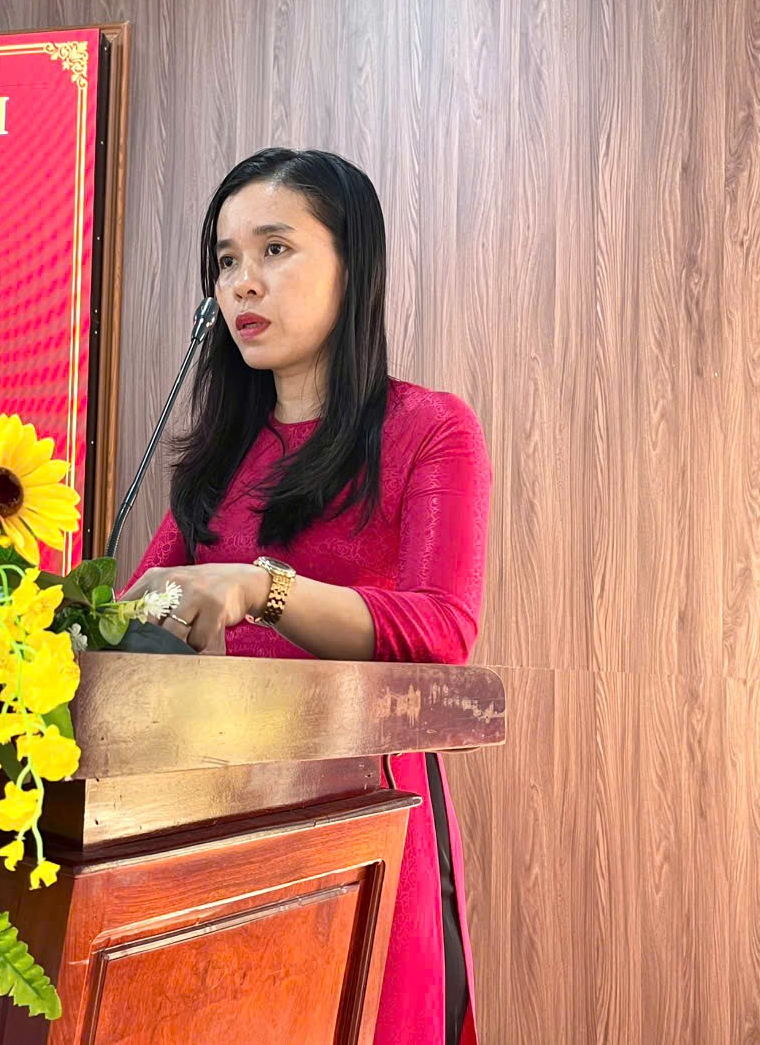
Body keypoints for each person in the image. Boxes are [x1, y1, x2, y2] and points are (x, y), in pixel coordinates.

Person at [121, 148, 491, 1045]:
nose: (242, 284)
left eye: (275, 250)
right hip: (209, 814)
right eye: (225, 260)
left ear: (353, 266)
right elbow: (138, 615)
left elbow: (444, 629)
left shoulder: (429, 428)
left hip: (362, 815)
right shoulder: (219, 455)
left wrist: (262, 589)